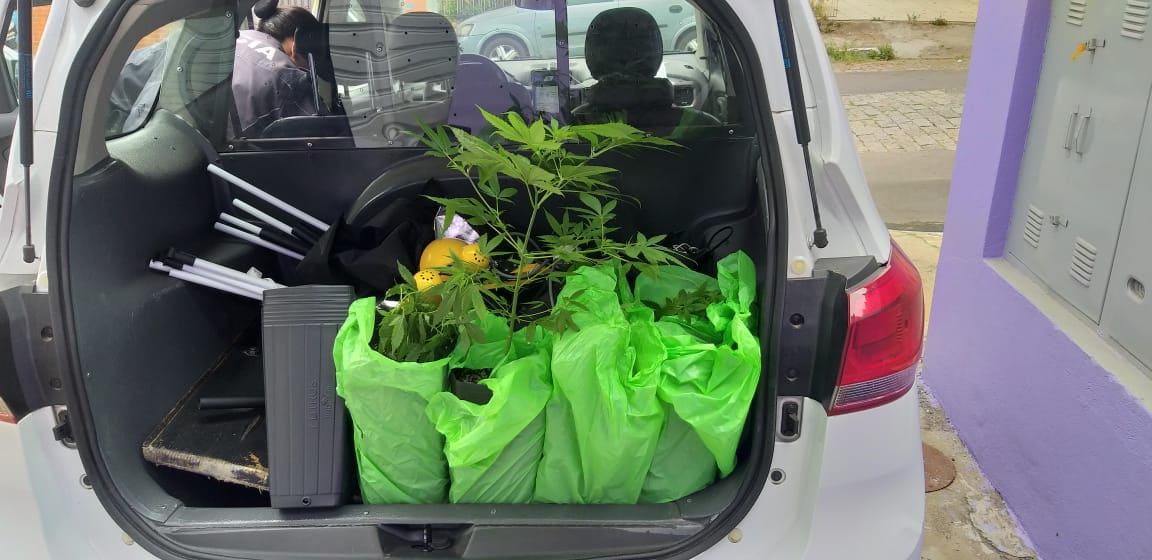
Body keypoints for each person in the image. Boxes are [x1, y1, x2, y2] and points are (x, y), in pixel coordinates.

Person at [232, 0, 322, 137]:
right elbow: (320, 133)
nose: (310, 67)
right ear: (296, 48)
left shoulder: (239, 37)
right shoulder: (288, 78)